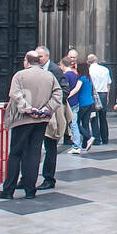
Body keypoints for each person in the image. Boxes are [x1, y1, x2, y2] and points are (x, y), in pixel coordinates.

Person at [0, 52, 62, 200]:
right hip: (41, 120)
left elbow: (15, 94)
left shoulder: (20, 75)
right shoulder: (49, 76)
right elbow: (58, 95)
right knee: (34, 153)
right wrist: (46, 109)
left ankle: (8, 190)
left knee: (15, 154)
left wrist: (29, 109)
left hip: (22, 119)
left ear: (26, 61)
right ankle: (30, 190)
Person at [35, 45, 69, 190]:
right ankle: (27, 178)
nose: (38, 59)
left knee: (50, 147)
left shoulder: (54, 70)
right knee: (33, 147)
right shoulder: (35, 69)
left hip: (50, 115)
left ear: (47, 57)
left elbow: (64, 90)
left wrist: (51, 106)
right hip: (36, 114)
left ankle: (49, 178)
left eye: (40, 56)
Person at [88, 53, 112, 145]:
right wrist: (107, 96)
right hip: (103, 93)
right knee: (103, 117)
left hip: (94, 94)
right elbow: (108, 84)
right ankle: (105, 138)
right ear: (96, 60)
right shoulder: (105, 69)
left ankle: (96, 139)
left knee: (94, 117)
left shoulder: (89, 70)